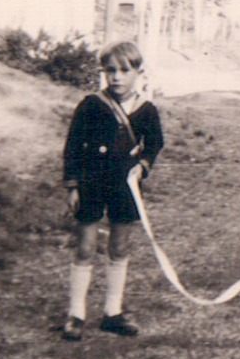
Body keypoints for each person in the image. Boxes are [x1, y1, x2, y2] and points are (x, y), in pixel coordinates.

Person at [60, 41, 165, 341]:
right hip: (92, 183)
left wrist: (142, 164)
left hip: (124, 187)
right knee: (84, 247)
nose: (117, 77)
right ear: (103, 73)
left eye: (124, 70)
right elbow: (72, 146)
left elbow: (155, 143)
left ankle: (112, 312)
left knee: (119, 248)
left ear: (138, 73)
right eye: (110, 71)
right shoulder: (91, 105)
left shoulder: (146, 110)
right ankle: (76, 314)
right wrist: (72, 184)